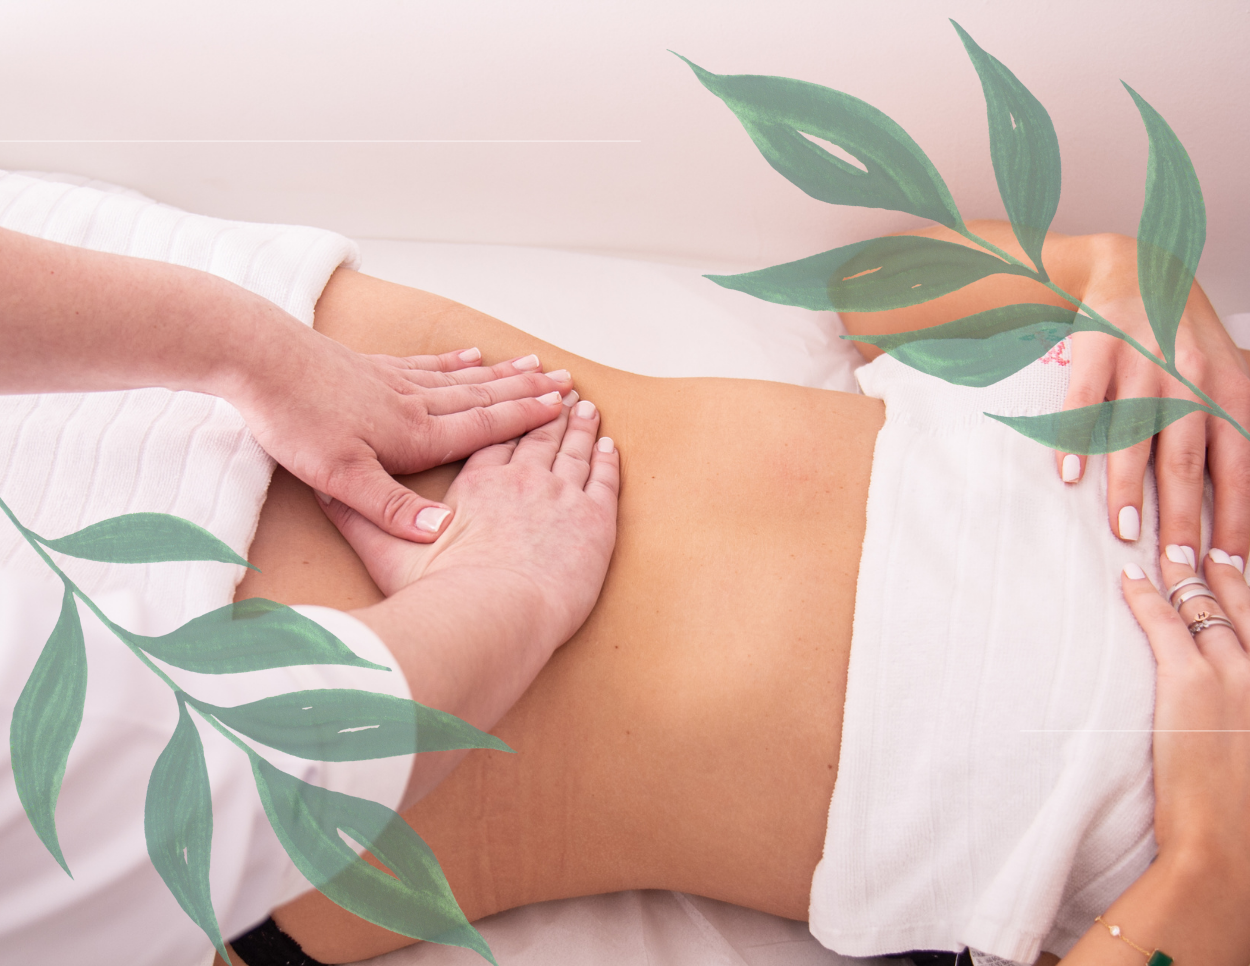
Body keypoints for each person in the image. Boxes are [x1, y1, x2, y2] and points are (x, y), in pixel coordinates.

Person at [223, 220, 1250, 965]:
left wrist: (1213, 856)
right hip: (259, 373)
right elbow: (866, 292)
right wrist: (1118, 270)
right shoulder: (1219, 395)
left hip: (305, 771)